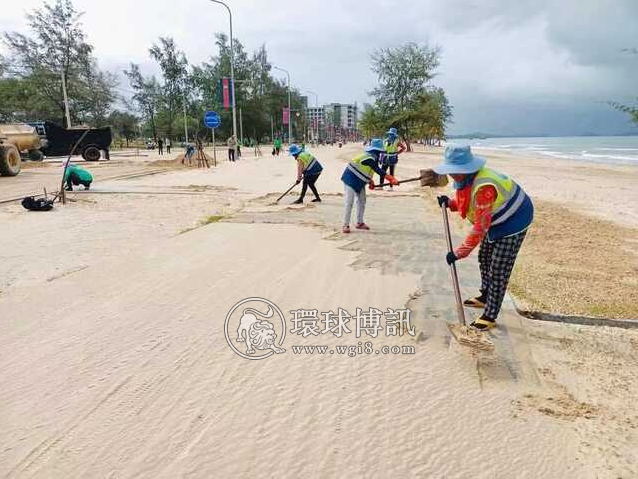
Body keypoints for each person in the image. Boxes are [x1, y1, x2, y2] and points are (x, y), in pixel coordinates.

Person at [434, 145, 534, 331]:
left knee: (498, 269)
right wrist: (451, 203)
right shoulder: (466, 181)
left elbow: (481, 226)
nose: (453, 175)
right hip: (496, 217)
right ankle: (486, 295)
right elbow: (472, 203)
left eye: (457, 171)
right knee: (484, 257)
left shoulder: (484, 187)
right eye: (451, 170)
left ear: (468, 168)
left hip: (515, 219)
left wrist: (459, 253)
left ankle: (490, 314)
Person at [340, 138, 398, 234]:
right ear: (375, 151)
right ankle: (345, 225)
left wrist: (370, 182)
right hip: (350, 179)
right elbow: (377, 170)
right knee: (349, 202)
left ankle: (359, 223)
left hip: (360, 181)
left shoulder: (372, 159)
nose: (380, 154)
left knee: (362, 201)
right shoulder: (368, 157)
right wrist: (391, 179)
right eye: (379, 152)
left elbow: (368, 171)